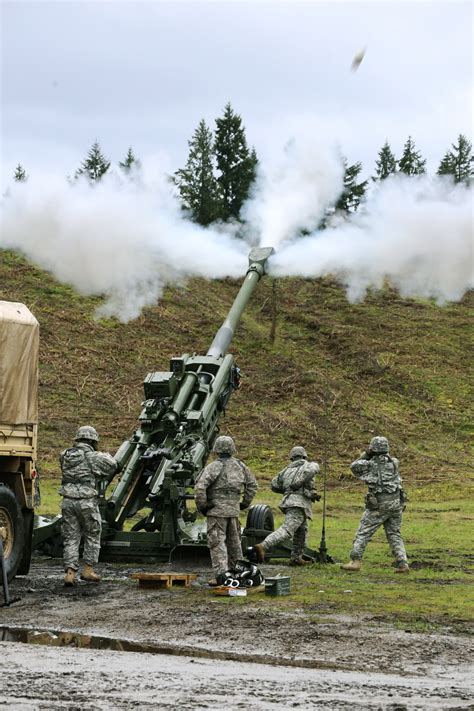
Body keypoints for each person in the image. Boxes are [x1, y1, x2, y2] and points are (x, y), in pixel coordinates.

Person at [59, 425, 119, 586]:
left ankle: (70, 574)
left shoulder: (64, 455)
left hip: (67, 500)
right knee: (92, 534)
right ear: (93, 441)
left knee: (71, 537)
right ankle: (88, 571)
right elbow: (113, 465)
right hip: (86, 502)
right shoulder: (92, 456)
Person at [194, 435, 257, 585]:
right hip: (233, 511)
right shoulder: (241, 466)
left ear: (216, 449)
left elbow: (200, 487)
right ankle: (239, 574)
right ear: (232, 449)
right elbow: (252, 485)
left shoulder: (213, 467)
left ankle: (223, 576)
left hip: (216, 512)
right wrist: (244, 503)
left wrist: (202, 506)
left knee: (217, 544)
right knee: (235, 544)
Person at [341, 436, 409, 573]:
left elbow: (354, 467)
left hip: (379, 504)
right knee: (394, 533)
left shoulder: (370, 464)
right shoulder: (394, 462)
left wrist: (367, 453)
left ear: (373, 448)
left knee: (363, 532)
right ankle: (403, 563)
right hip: (396, 503)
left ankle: (355, 561)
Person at [249, 446, 320, 566]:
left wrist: (287, 490)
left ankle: (296, 558)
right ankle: (263, 546)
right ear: (304, 456)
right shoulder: (309, 465)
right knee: (287, 530)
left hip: (290, 501)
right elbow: (313, 470)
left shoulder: (286, 470)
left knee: (302, 531)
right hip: (299, 503)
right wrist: (298, 484)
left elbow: (274, 484)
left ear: (292, 457)